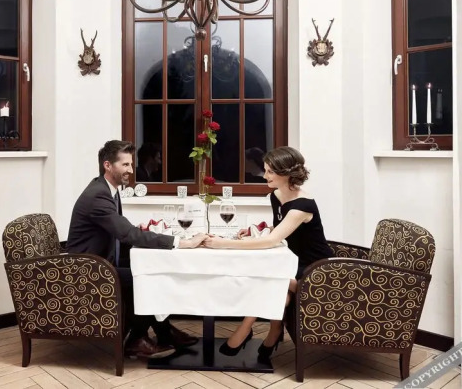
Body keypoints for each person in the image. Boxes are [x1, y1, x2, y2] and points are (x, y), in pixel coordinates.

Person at [67, 140, 207, 359]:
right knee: (146, 277)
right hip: (88, 270)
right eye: (125, 165)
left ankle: (163, 332)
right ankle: (138, 339)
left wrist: (137, 231)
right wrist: (182, 242)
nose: (131, 170)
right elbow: (126, 234)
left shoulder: (108, 190)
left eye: (131, 165)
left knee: (150, 271)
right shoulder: (98, 195)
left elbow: (121, 229)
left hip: (102, 262)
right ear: (107, 165)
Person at [202, 146, 334, 362]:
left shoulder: (302, 206)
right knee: (278, 288)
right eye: (266, 170)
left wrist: (222, 243)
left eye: (270, 171)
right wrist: (254, 230)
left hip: (316, 271)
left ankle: (247, 329)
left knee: (268, 278)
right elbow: (281, 229)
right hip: (293, 264)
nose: (265, 176)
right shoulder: (276, 196)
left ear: (286, 173)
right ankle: (273, 332)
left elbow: (272, 241)